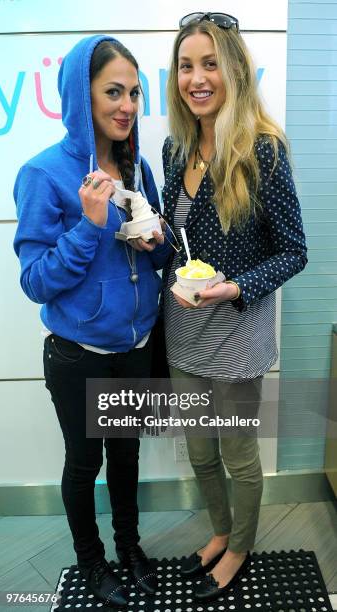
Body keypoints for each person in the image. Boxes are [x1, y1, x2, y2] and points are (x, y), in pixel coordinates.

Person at [13, 34, 171, 608]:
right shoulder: (44, 174)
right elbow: (35, 282)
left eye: (133, 92)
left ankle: (130, 548)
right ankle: (91, 561)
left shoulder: (140, 165)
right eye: (113, 91)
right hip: (78, 356)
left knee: (126, 455)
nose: (127, 104)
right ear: (81, 98)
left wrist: (158, 241)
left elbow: (161, 253)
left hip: (135, 347)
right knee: (84, 465)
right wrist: (88, 224)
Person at [162, 12, 307, 603]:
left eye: (210, 63)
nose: (196, 78)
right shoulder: (178, 150)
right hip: (184, 330)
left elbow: (294, 252)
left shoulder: (263, 151)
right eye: (186, 65)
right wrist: (153, 238)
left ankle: (242, 544)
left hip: (237, 334)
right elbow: (183, 237)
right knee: (199, 452)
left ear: (236, 70)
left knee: (239, 456)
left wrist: (238, 286)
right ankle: (220, 530)